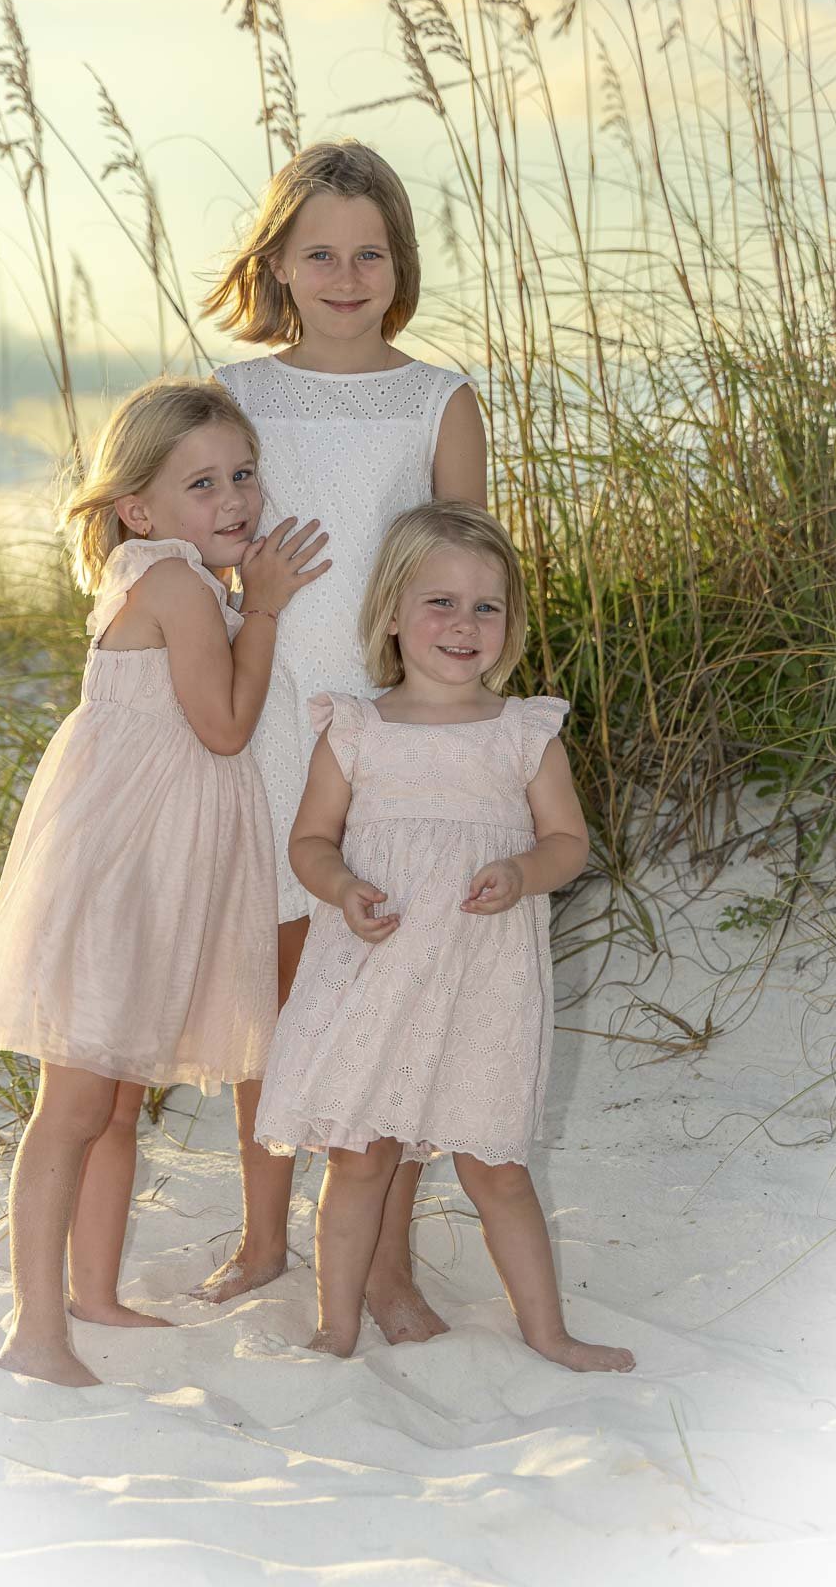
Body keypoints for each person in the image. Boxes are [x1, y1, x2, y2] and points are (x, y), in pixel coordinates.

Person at [0, 377, 329, 1386]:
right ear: (138, 508)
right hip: (119, 879)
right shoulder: (175, 585)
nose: (234, 499)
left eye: (242, 473)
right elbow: (227, 727)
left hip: (138, 868)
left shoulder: (164, 575)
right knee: (76, 1107)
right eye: (200, 484)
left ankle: (94, 1294)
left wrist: (242, 601)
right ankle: (34, 1328)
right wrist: (265, 609)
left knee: (115, 1107)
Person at [201, 138, 487, 1343]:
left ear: (399, 263)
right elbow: (189, 539)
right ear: (277, 262)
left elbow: (468, 570)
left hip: (390, 731)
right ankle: (264, 1234)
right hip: (267, 714)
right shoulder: (234, 394)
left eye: (369, 253)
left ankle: (382, 1259)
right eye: (317, 253)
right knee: (273, 988)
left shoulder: (437, 399)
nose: (345, 276)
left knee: (390, 997)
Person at [256, 501, 636, 1372]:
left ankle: (549, 1333)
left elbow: (567, 842)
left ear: (510, 623)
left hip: (482, 978)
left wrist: (523, 871)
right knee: (360, 1156)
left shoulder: (524, 733)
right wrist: (342, 887)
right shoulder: (355, 729)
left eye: (485, 607)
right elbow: (309, 842)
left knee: (495, 1166)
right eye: (441, 603)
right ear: (392, 613)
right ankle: (336, 1328)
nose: (465, 625)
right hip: (377, 971)